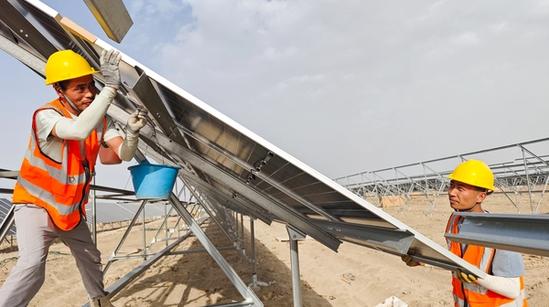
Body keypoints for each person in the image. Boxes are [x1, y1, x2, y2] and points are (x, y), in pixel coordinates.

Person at [0, 49, 146, 307]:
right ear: (60, 90)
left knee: (90, 257)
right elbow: (78, 131)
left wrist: (132, 135)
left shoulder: (99, 119)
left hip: (69, 209)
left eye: (91, 85)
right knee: (32, 265)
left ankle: (100, 301)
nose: (89, 93)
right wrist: (110, 88)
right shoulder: (45, 116)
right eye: (80, 88)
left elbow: (120, 153)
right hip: (36, 203)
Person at [403, 160, 527, 306]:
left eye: (460, 188)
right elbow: (455, 261)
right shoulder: (455, 221)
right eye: (451, 185)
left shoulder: (501, 231)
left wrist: (476, 277)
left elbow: (513, 289)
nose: (451, 192)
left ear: (481, 196)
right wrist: (423, 260)